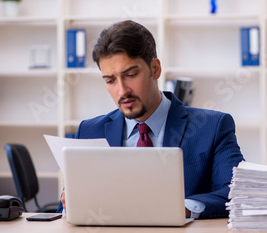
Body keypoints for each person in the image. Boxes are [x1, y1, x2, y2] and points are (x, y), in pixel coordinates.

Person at [57, 20, 244, 219]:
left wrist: (184, 208)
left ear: (155, 69)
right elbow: (64, 210)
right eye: (110, 81)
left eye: (130, 75)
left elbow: (237, 192)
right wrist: (70, 203)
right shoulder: (89, 131)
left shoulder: (212, 127)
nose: (122, 91)